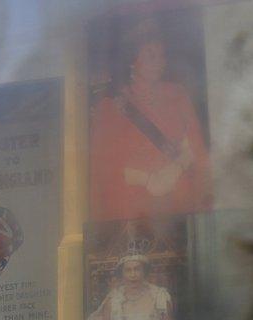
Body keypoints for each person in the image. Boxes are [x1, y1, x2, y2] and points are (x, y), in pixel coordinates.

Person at [89, 19, 210, 220]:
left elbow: (197, 148)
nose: (159, 62)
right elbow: (105, 168)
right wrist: (148, 180)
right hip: (133, 213)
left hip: (183, 207)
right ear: (132, 61)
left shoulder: (177, 94)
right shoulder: (110, 108)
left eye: (161, 55)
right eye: (150, 55)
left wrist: (173, 171)